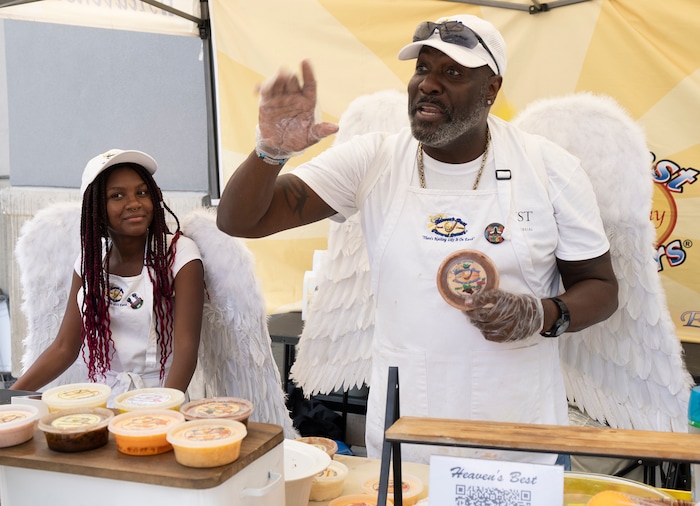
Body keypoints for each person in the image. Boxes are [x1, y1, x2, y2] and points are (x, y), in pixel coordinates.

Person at [216, 14, 618, 464]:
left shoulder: (550, 168)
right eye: (422, 68)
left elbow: (600, 287)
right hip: (409, 429)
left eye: (452, 72)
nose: (427, 84)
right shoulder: (373, 160)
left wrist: (543, 313)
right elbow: (241, 220)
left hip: (519, 427)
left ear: (492, 88)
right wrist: (270, 152)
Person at [12, 149, 205, 400]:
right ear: (97, 210)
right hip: (102, 398)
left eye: (142, 192)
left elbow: (186, 350)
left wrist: (163, 410)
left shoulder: (180, 254)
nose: (134, 202)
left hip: (165, 395)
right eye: (117, 195)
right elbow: (64, 348)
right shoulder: (89, 264)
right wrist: (9, 398)